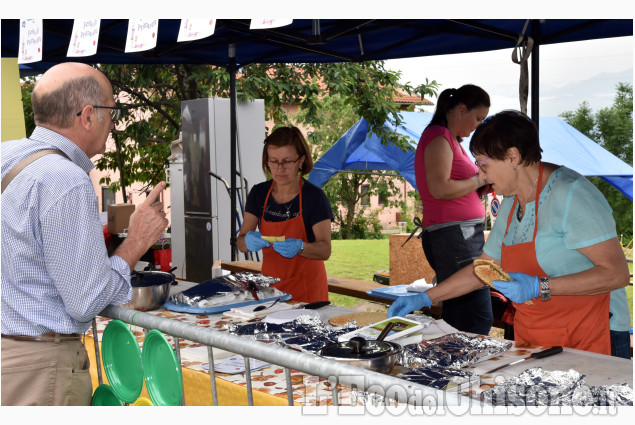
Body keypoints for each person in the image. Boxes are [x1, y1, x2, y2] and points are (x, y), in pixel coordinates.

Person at [389, 110, 630, 355]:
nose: (480, 176)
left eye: (484, 165)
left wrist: (541, 286)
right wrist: (426, 298)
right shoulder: (512, 201)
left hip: (593, 334)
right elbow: (484, 269)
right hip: (539, 334)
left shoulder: (572, 194)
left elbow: (617, 274)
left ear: (513, 156)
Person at [1, 62, 169, 405]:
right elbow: (86, 301)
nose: (113, 123)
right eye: (111, 111)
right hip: (40, 366)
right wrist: (136, 241)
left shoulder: (7, 154)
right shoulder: (64, 178)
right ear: (89, 115)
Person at [414, 84, 492, 335]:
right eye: (478, 118)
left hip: (460, 235)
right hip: (454, 235)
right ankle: (461, 367)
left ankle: (456, 365)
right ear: (461, 109)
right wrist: (479, 180)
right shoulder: (439, 136)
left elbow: (458, 186)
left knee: (464, 312)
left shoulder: (452, 139)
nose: (478, 126)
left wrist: (483, 185)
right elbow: (439, 188)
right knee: (474, 316)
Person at [237, 126, 333, 303]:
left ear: (301, 160)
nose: (279, 168)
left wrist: (301, 247)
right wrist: (248, 240)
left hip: (308, 294)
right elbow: (241, 243)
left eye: (287, 161)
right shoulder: (259, 194)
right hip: (271, 292)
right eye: (273, 161)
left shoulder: (314, 197)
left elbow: (325, 250)